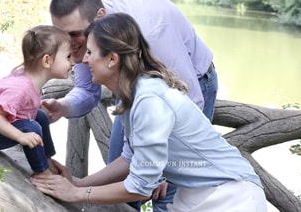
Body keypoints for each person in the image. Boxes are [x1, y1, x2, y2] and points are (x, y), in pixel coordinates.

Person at [31, 13, 267, 212]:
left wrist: (77, 193)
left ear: (112, 59)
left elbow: (140, 186)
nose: (84, 59)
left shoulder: (149, 101)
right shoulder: (133, 93)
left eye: (90, 52)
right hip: (196, 195)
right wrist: (78, 182)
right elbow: (130, 159)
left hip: (231, 198)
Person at [41, 0, 218, 211]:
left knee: (165, 196)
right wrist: (62, 107)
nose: (68, 44)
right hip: (134, 90)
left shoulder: (154, 30)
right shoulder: (88, 32)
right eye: (61, 35)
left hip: (189, 87)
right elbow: (87, 91)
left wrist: (165, 170)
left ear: (100, 16)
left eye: (74, 35)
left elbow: (190, 99)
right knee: (119, 183)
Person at [0, 25, 73, 175]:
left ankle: (47, 158)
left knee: (41, 116)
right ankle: (42, 172)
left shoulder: (30, 79)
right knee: (32, 128)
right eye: (68, 57)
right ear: (47, 61)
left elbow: (20, 107)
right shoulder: (20, 88)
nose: (73, 63)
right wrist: (21, 136)